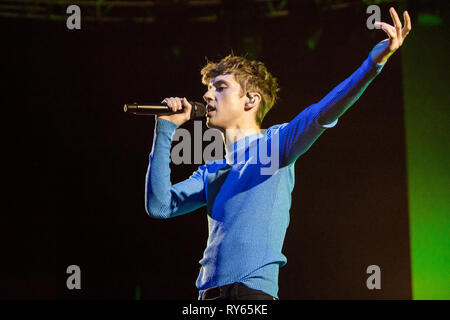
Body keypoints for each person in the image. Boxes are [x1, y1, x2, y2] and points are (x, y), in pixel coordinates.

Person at [145, 8, 411, 300]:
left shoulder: (273, 145)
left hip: (251, 295)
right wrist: (165, 129)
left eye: (220, 88)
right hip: (206, 297)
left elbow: (322, 112)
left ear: (251, 100)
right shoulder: (211, 170)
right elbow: (160, 206)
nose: (208, 96)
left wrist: (372, 65)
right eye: (208, 89)